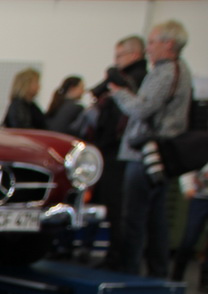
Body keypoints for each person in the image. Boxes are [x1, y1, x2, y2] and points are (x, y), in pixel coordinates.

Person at [110, 20, 192, 278]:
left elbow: (141, 109)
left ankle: (129, 272)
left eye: (153, 42)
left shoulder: (165, 72)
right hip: (160, 155)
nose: (148, 48)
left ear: (169, 44)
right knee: (156, 218)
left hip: (144, 154)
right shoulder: (180, 70)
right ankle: (157, 272)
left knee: (134, 217)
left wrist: (119, 93)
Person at [80, 35, 147, 266]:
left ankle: (119, 257)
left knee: (118, 206)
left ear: (134, 54)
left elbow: (128, 112)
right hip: (113, 149)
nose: (116, 61)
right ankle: (116, 254)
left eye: (120, 56)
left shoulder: (133, 81)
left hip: (118, 151)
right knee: (113, 205)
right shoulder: (125, 80)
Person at [171, 164, 208, 289]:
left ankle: (205, 281)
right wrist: (188, 187)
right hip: (199, 199)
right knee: (190, 238)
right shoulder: (200, 152)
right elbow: (188, 166)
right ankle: (176, 277)